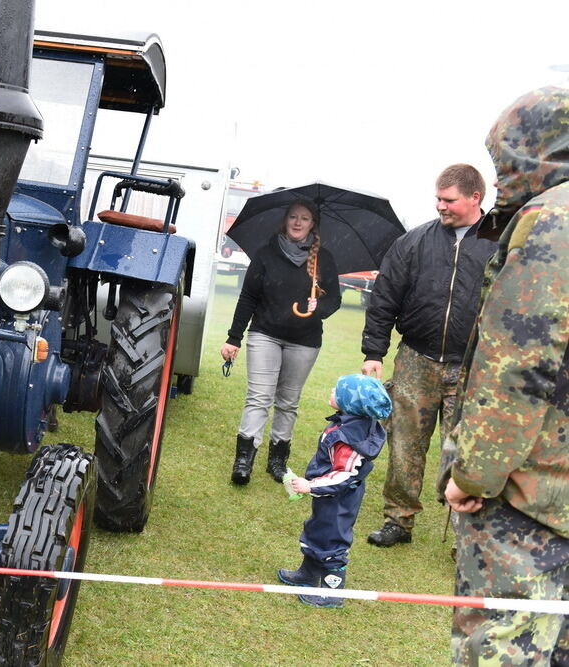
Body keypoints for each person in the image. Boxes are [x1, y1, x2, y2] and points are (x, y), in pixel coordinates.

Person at [441, 86, 568, 665]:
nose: (500, 178)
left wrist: (473, 474)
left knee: (504, 647)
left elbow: (520, 367)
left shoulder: (553, 221)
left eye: (504, 161)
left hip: (531, 500)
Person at [360, 164, 496, 547]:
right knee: (405, 443)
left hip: (474, 364)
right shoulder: (414, 241)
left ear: (474, 198)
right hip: (416, 360)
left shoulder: (499, 243)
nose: (440, 206)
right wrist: (374, 351)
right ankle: (398, 521)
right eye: (437, 198)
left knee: (467, 451)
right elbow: (384, 297)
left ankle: (465, 537)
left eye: (448, 199)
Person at [221, 199, 341, 485]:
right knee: (259, 397)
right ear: (285, 220)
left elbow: (335, 300)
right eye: (293, 217)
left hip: (305, 341)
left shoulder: (324, 259)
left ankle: (277, 460)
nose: (298, 223)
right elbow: (248, 297)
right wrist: (233, 337)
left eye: (305, 218)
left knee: (288, 402)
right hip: (265, 334)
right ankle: (244, 459)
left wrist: (318, 307)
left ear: (313, 225)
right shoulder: (265, 254)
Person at [277, 373, 392, 608]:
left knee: (333, 541)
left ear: (352, 403)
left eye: (337, 391)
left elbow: (344, 475)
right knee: (317, 530)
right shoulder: (349, 421)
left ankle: (333, 592)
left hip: (340, 498)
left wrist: (311, 485)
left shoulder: (350, 437)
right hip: (330, 494)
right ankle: (308, 574)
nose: (332, 390)